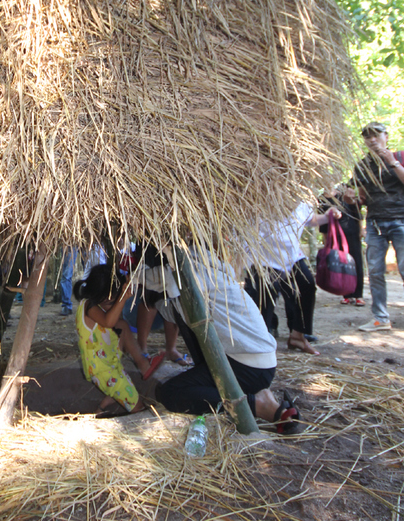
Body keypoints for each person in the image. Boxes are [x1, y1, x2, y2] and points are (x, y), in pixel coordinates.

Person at [154, 249, 300, 434]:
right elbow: (170, 310)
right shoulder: (216, 273)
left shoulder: (192, 273)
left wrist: (129, 277)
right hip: (260, 365)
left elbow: (154, 280)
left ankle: (257, 405)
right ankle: (258, 394)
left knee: (171, 393)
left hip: (247, 367)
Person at [346, 122, 404, 333]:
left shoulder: (402, 157)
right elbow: (360, 197)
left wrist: (393, 162)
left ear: (386, 136)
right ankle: (380, 318)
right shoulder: (362, 166)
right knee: (376, 272)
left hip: (403, 221)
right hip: (374, 223)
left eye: (376, 135)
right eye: (367, 136)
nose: (372, 139)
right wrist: (350, 199)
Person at [244, 202, 341, 356]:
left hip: (291, 256)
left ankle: (298, 336)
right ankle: (259, 343)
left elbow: (310, 219)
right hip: (264, 257)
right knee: (267, 291)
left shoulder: (299, 202)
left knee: (307, 284)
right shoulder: (262, 200)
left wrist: (328, 215)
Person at [74, 262, 165, 416]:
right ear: (99, 296)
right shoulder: (89, 307)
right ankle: (142, 367)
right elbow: (108, 322)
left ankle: (100, 410)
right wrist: (122, 298)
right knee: (139, 408)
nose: (114, 306)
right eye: (111, 303)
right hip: (102, 371)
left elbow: (115, 323)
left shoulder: (94, 304)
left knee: (122, 325)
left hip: (109, 365)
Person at [130, 242, 192, 366]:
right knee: (150, 295)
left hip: (174, 242)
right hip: (151, 240)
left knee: (173, 295)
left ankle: (171, 349)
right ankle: (141, 347)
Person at [319, 186, 365, 305]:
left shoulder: (343, 192)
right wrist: (325, 240)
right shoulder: (322, 199)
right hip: (334, 236)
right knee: (339, 264)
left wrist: (361, 230)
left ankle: (358, 295)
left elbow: (357, 212)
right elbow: (323, 223)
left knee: (356, 262)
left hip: (351, 232)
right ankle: (346, 294)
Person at [58, 246, 78, 316]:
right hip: (70, 243)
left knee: (90, 272)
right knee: (66, 275)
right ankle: (66, 306)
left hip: (87, 241)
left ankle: (92, 304)